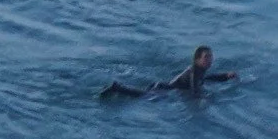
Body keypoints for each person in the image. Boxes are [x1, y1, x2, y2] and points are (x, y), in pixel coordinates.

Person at [101, 45, 237, 99]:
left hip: (163, 87)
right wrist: (206, 98)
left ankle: (118, 87)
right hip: (162, 89)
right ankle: (117, 87)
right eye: (206, 57)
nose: (210, 60)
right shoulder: (194, 72)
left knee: (141, 95)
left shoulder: (199, 72)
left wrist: (225, 76)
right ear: (197, 59)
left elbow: (206, 79)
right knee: (140, 97)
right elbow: (196, 90)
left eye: (211, 57)